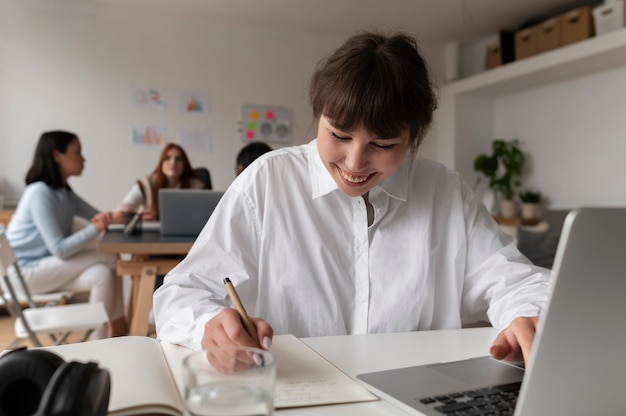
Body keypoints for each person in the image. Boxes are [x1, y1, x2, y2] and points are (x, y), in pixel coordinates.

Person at [154, 31, 549, 365]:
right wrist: (208, 326)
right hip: (294, 392)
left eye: (383, 143)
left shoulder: (443, 191)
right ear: (318, 116)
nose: (354, 162)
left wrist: (524, 313)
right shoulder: (267, 183)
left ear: (414, 138)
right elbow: (179, 294)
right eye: (339, 136)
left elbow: (515, 282)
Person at [4, 130, 126, 338]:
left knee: (101, 274)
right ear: (56, 155)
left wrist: (134, 216)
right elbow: (60, 250)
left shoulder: (64, 193)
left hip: (47, 268)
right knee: (109, 255)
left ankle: (98, 340)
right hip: (25, 273)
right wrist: (95, 228)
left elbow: (99, 216)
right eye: (77, 152)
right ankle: (120, 328)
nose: (83, 159)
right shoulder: (39, 193)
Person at [115, 143, 206, 221]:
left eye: (178, 159)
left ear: (185, 164)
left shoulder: (197, 187)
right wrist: (139, 216)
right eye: (167, 158)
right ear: (161, 163)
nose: (173, 162)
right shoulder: (145, 184)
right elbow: (119, 211)